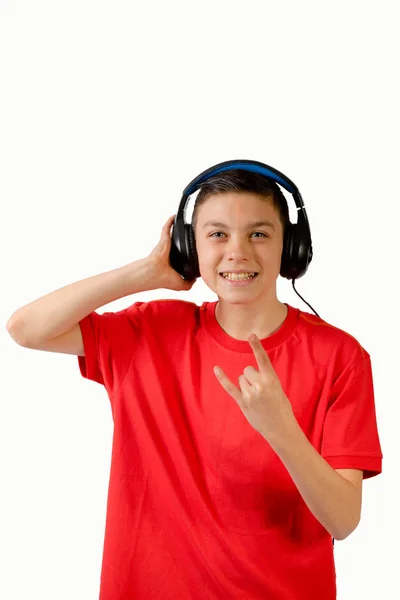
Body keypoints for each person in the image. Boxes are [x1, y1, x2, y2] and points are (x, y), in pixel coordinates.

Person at [6, 161, 383, 600]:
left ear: (292, 248)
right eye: (217, 234)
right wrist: (144, 274)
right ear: (189, 248)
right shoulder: (150, 334)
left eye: (259, 233)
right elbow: (26, 328)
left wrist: (281, 430)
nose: (238, 251)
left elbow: (343, 520)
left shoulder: (340, 356)